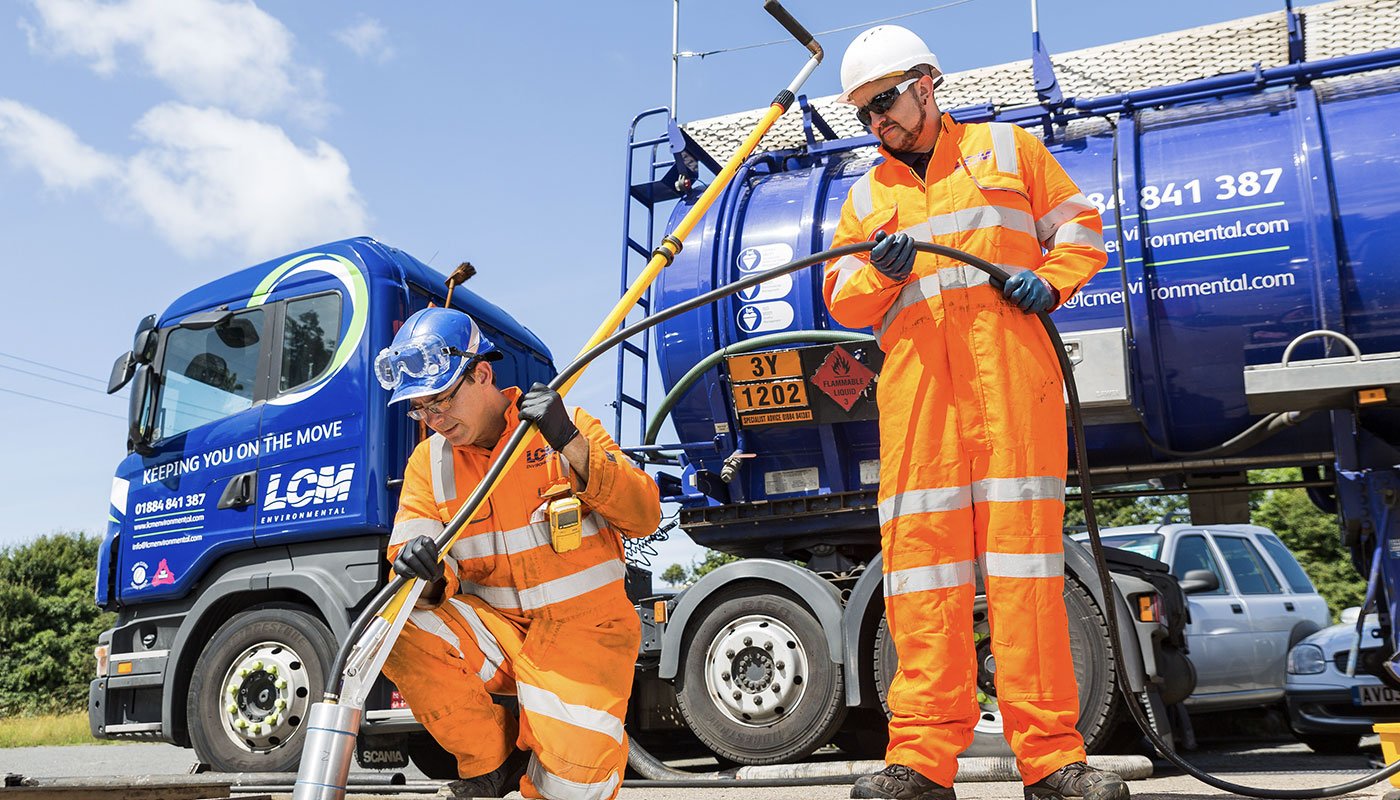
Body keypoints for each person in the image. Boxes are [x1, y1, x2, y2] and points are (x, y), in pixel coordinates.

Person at [822, 25, 1127, 800]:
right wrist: (881, 274)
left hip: (1011, 393)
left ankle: (1054, 759)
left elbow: (1081, 228)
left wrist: (1050, 281)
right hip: (922, 403)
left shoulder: (1008, 151)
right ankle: (921, 761)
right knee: (923, 582)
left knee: (1026, 578)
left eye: (883, 102)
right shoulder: (866, 197)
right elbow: (841, 296)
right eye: (862, 114)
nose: (876, 123)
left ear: (927, 81)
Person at [373, 307, 661, 800]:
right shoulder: (429, 462)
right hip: (499, 634)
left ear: (481, 373)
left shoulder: (563, 426)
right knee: (392, 623)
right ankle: (491, 763)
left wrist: (569, 442)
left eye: (440, 400)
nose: (434, 419)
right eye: (420, 409)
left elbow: (644, 515)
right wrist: (420, 567)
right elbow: (411, 561)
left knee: (573, 786)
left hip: (584, 633)